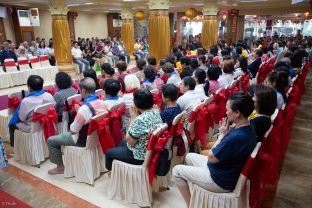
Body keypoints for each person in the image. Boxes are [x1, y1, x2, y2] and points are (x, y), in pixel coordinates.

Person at [172, 92, 256, 206]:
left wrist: (222, 135)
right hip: (225, 170)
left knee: (176, 171)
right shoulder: (249, 128)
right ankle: (197, 198)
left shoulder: (236, 137)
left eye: (228, 110)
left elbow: (212, 158)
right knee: (188, 156)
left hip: (220, 180)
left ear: (237, 113)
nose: (225, 112)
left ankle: (190, 204)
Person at [47, 78, 108, 175]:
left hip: (80, 140)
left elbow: (73, 130)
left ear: (83, 91)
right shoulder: (102, 102)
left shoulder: (84, 109)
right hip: (96, 137)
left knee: (51, 140)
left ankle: (60, 167)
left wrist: (78, 112)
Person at [105, 88, 163, 171]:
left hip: (140, 155)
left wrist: (132, 119)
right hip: (149, 148)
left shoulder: (140, 119)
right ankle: (120, 170)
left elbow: (130, 141)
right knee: (121, 143)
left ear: (136, 104)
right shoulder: (155, 111)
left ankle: (113, 174)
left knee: (108, 153)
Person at [8, 75, 56, 147]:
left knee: (11, 125)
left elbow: (21, 118)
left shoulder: (26, 101)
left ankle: (15, 147)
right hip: (46, 123)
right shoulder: (49, 95)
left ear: (29, 88)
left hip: (31, 127)